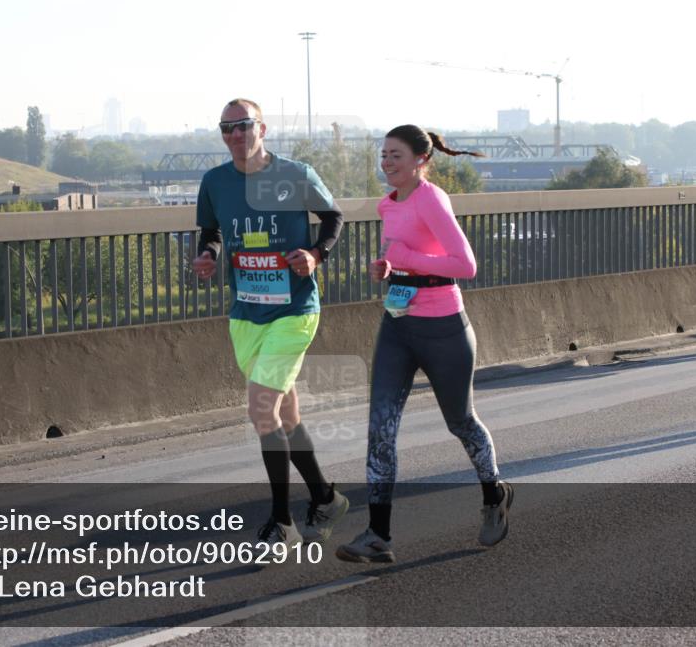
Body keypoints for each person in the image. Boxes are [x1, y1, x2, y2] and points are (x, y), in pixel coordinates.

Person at [336, 125, 512, 564]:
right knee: (380, 428)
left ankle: (495, 494)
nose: (387, 162)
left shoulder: (431, 198)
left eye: (395, 155)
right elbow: (402, 261)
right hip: (398, 325)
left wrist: (407, 261)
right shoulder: (385, 205)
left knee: (461, 422)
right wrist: (386, 270)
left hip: (443, 328)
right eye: (383, 155)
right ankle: (378, 533)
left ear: (421, 159)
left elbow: (464, 264)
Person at [193, 98, 349, 555]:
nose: (235, 135)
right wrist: (209, 256)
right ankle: (325, 499)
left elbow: (334, 217)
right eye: (226, 129)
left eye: (242, 126)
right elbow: (212, 231)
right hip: (246, 313)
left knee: (262, 412)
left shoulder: (295, 173)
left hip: (295, 311)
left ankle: (281, 523)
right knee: (286, 416)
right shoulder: (214, 182)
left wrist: (315, 255)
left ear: (262, 128)